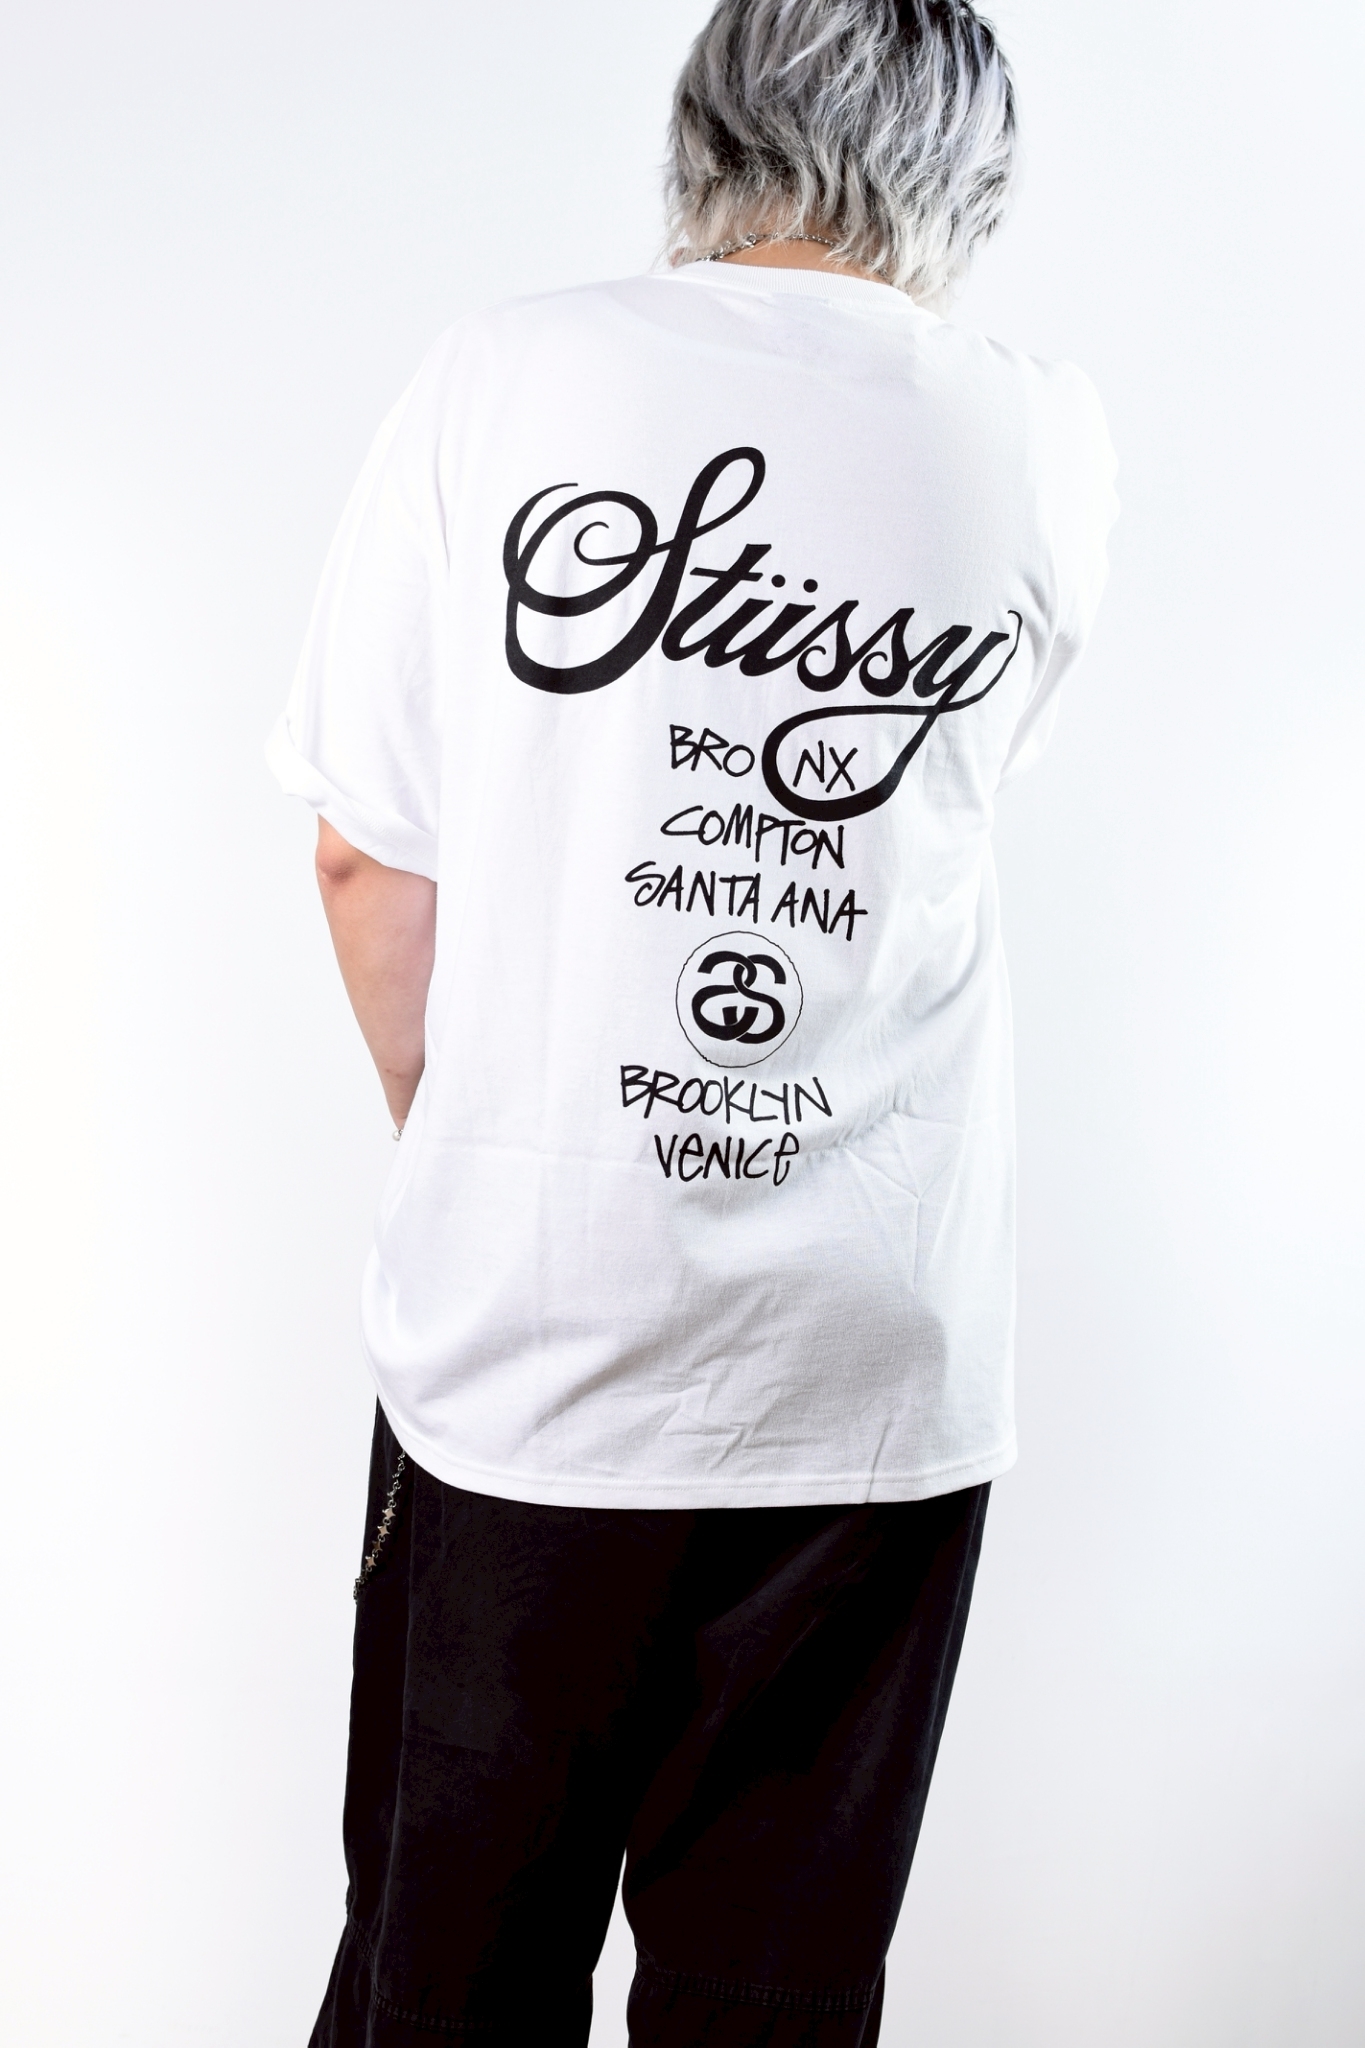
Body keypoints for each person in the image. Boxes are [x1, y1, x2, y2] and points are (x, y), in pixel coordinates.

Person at [268, 2, 1118, 2041]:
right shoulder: (1037, 431)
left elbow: (364, 861)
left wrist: (477, 1120)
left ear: (707, 122)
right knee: (773, 1998)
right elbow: (942, 806)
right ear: (968, 170)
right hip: (876, 1367)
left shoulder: (508, 375)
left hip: (533, 1342)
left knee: (449, 1980)